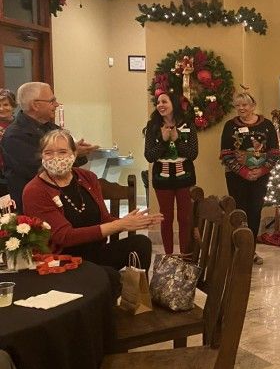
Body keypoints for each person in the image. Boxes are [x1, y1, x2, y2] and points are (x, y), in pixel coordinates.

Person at [22, 130, 161, 294]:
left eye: (62, 152)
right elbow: (64, 237)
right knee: (109, 277)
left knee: (141, 244)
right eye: (48, 153)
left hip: (94, 254)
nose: (56, 158)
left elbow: (103, 218)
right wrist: (119, 225)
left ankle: (136, 300)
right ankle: (106, 314)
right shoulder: (35, 190)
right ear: (42, 156)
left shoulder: (87, 177)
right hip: (62, 261)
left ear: (74, 154)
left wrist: (130, 222)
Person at [1, 82, 98, 211]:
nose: (56, 105)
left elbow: (71, 166)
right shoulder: (15, 135)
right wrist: (72, 152)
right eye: (52, 101)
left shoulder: (51, 128)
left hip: (62, 197)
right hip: (34, 205)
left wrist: (75, 151)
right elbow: (37, 168)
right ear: (35, 105)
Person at [219, 90, 280, 265]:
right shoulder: (230, 126)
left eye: (244, 105)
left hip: (260, 177)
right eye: (237, 106)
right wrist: (244, 171)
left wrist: (260, 171)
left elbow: (274, 152)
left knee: (255, 212)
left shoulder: (267, 124)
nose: (241, 108)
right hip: (236, 177)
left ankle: (251, 251)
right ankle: (237, 248)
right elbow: (225, 153)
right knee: (239, 211)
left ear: (253, 106)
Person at [143, 92, 198, 255]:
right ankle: (169, 256)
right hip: (162, 179)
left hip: (185, 178)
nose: (160, 105)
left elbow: (193, 154)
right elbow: (150, 156)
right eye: (158, 102)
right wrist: (163, 140)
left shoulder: (188, 124)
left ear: (173, 104)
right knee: (165, 218)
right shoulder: (152, 126)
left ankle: (185, 256)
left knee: (185, 219)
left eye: (164, 102)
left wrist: (177, 138)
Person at [0, 89, 17, 197]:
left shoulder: (20, 125)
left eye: (5, 104)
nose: (1, 109)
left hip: (16, 172)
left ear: (13, 106)